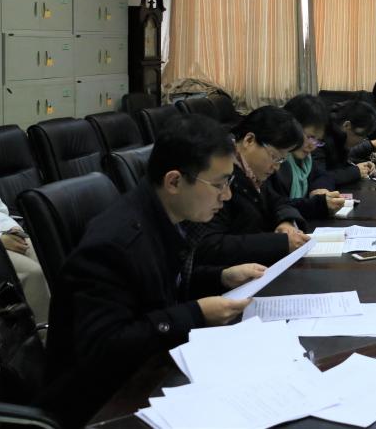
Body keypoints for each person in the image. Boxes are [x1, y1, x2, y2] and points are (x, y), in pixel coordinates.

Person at [38, 115, 264, 428]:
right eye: (218, 185)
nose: (226, 196)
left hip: (147, 371)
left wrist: (219, 276)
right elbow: (106, 347)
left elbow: (153, 286)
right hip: (104, 403)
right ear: (174, 182)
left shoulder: (162, 216)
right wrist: (196, 314)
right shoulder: (114, 244)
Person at [194, 106, 310, 267]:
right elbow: (209, 246)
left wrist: (285, 222)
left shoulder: (252, 171)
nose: (277, 167)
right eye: (275, 157)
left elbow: (277, 201)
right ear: (249, 140)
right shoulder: (219, 173)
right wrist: (279, 243)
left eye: (281, 160)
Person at [267, 94, 349, 219]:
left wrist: (320, 190)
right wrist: (317, 204)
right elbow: (274, 206)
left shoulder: (305, 160)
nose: (312, 146)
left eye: (318, 140)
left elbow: (324, 175)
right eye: (309, 137)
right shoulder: (274, 161)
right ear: (290, 127)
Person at [0, 196, 49, 324]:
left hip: (4, 231)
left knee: (47, 258)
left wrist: (11, 228)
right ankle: (44, 333)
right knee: (32, 272)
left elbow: (0, 210)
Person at [318, 99, 376, 186]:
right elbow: (319, 178)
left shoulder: (338, 137)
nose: (361, 141)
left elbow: (336, 167)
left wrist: (359, 168)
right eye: (361, 135)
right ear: (347, 125)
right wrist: (355, 172)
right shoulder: (320, 137)